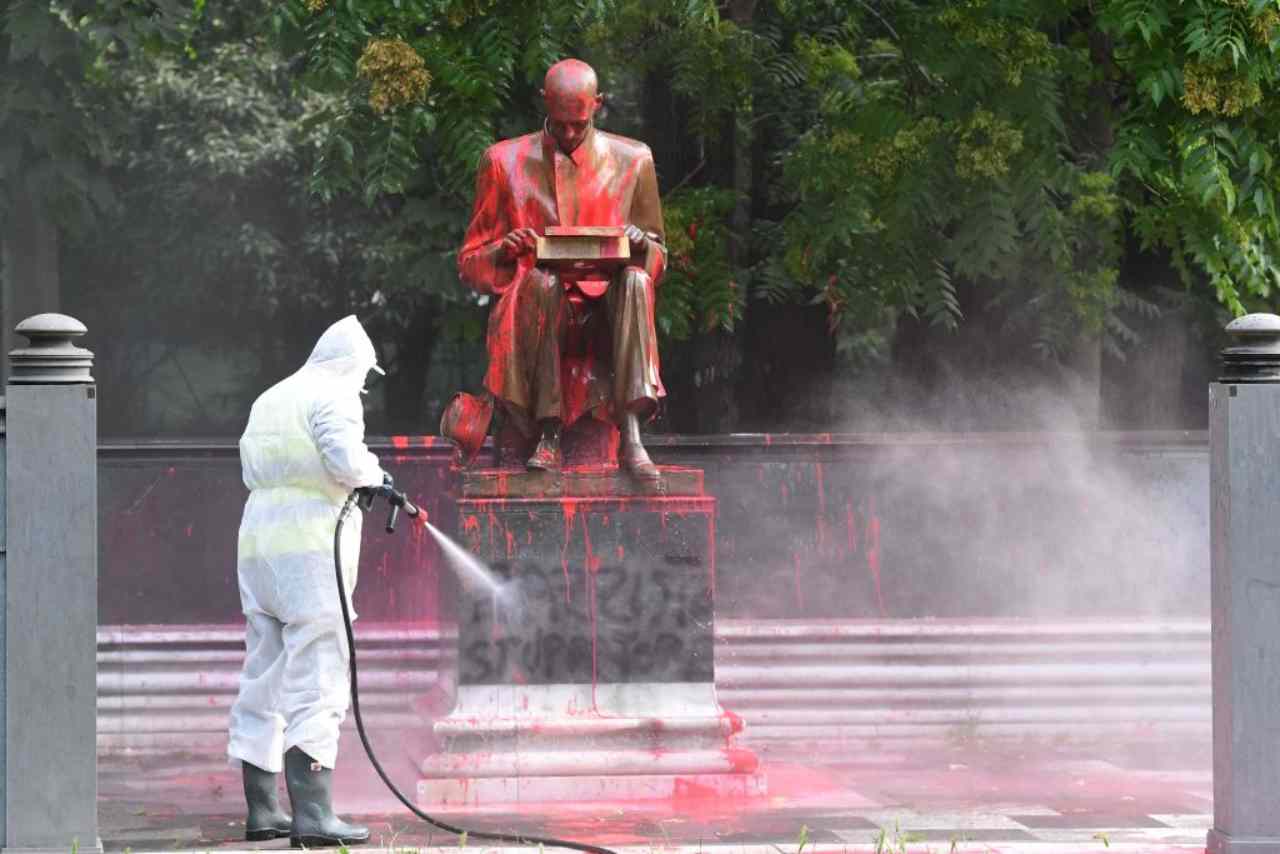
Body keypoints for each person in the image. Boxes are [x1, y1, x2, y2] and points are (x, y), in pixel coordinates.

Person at [458, 58, 667, 477]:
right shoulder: (503, 161)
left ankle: (631, 434)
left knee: (635, 281)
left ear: (599, 104)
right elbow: (470, 262)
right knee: (541, 278)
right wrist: (502, 250)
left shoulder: (633, 159)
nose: (569, 133)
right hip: (534, 310)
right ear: (544, 104)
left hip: (605, 310)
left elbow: (659, 252)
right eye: (560, 123)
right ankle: (547, 432)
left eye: (579, 123)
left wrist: (644, 247)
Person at [226, 315, 390, 847]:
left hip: (258, 543)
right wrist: (376, 474)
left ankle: (263, 809)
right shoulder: (336, 393)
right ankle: (315, 815)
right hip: (310, 549)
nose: (363, 386)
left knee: (264, 672)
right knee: (318, 669)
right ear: (352, 365)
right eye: (364, 375)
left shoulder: (271, 396)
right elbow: (344, 459)